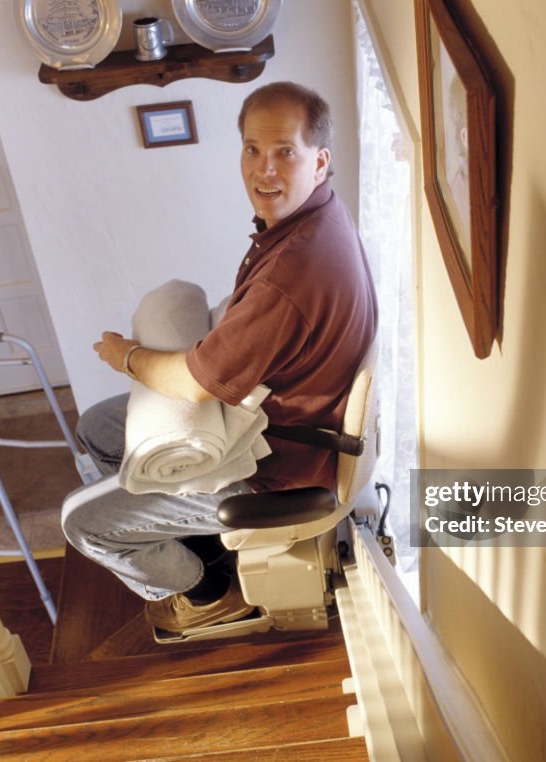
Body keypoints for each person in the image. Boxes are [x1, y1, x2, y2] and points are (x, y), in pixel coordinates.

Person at [62, 81, 378, 633]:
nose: (264, 170)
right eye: (252, 149)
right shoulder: (318, 216)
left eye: (285, 152)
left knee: (85, 525)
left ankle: (208, 590)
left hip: (275, 463)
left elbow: (195, 382)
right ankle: (192, 537)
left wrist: (127, 355)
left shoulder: (291, 275)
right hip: (281, 414)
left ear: (320, 160)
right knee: (100, 426)